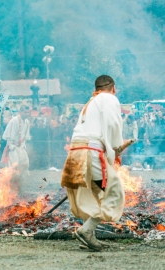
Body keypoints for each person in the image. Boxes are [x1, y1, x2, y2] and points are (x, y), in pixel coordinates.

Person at [61, 75, 125, 252]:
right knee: (114, 191)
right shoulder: (109, 98)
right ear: (113, 88)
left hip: (76, 152)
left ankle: (88, 235)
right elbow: (113, 125)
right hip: (91, 151)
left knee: (93, 193)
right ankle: (87, 231)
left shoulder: (91, 101)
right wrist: (116, 150)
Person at [2, 105, 31, 194]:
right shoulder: (14, 120)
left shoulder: (27, 122)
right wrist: (11, 145)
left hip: (21, 147)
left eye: (28, 112)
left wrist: (22, 143)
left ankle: (19, 184)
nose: (27, 114)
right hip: (13, 147)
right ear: (20, 112)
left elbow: (25, 136)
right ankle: (11, 187)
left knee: (25, 164)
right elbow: (8, 136)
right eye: (25, 112)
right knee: (14, 168)